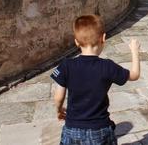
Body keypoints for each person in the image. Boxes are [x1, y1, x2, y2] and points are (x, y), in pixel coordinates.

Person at [51, 15, 141, 145]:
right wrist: (135, 52)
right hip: (100, 129)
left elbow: (58, 97)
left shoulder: (66, 65)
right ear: (103, 38)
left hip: (72, 128)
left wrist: (59, 110)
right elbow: (135, 75)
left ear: (76, 41)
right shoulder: (107, 66)